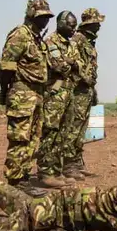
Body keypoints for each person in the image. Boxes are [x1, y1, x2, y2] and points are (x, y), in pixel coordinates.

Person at [0, 0, 54, 192]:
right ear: (30, 15)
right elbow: (6, 66)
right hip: (22, 93)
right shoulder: (20, 35)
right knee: (20, 138)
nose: (45, 20)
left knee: (33, 137)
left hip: (37, 93)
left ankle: (24, 176)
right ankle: (15, 181)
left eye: (47, 17)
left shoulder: (37, 39)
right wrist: (5, 91)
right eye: (41, 16)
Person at [36, 10, 82, 184]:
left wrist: (71, 63)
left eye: (75, 26)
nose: (73, 29)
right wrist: (71, 63)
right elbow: (60, 67)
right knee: (50, 133)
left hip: (68, 94)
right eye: (70, 25)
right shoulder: (51, 42)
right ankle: (46, 172)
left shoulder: (70, 44)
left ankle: (56, 170)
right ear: (61, 24)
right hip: (54, 96)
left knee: (63, 134)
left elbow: (79, 66)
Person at [62, 8, 104, 175]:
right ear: (90, 23)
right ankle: (68, 164)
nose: (99, 26)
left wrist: (92, 89)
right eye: (97, 23)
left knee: (82, 128)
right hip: (77, 90)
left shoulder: (88, 41)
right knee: (73, 127)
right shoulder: (77, 39)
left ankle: (77, 162)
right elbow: (70, 62)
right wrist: (81, 78)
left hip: (86, 90)